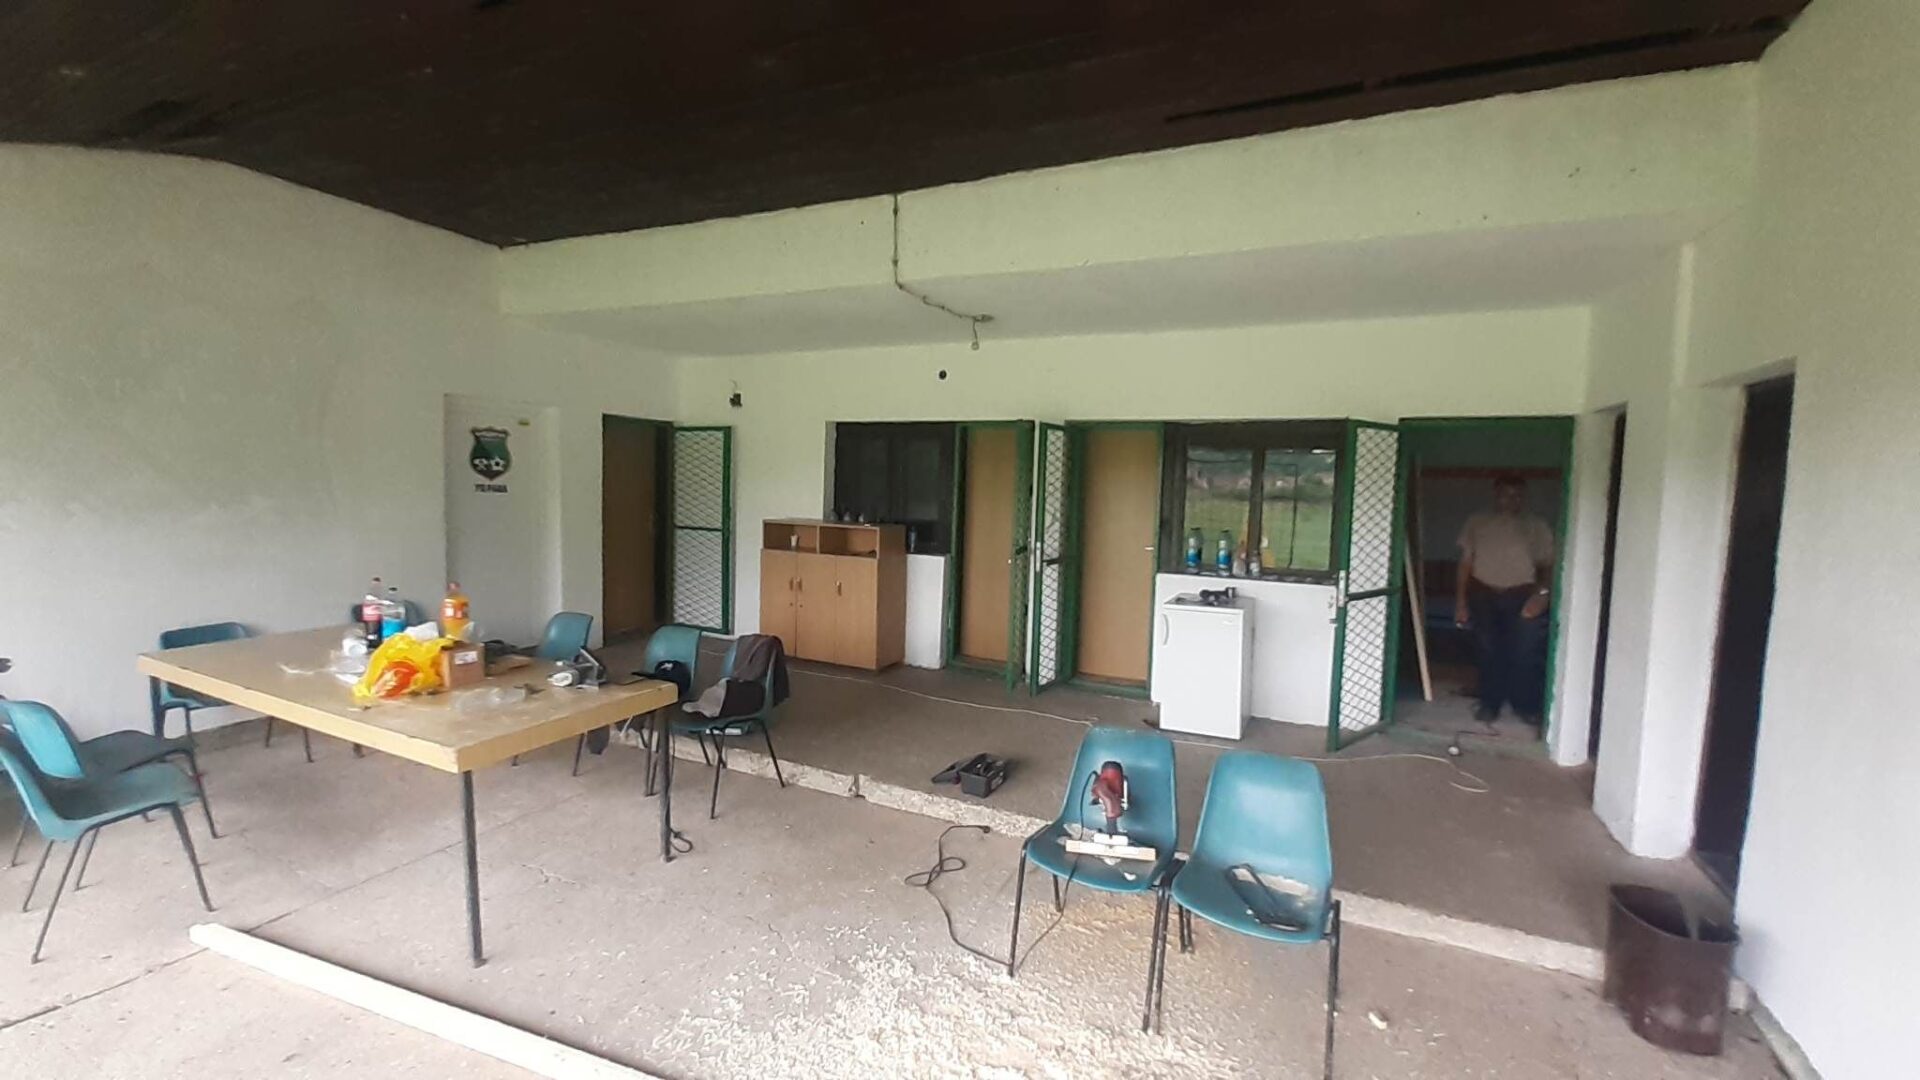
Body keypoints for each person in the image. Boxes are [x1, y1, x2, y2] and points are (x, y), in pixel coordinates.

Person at [1454, 474, 1555, 725]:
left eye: (1517, 495)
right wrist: (1461, 602)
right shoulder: (1477, 522)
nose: (1511, 500)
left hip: (1522, 594)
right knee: (1488, 651)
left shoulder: (1536, 525)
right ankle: (1490, 704)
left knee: (1525, 653)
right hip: (1484, 593)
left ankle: (1526, 706)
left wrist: (1542, 595)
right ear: (1496, 495)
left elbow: (1548, 566)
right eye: (1506, 495)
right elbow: (1465, 564)